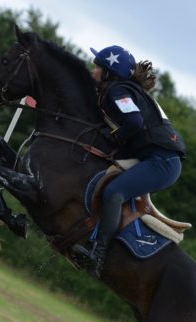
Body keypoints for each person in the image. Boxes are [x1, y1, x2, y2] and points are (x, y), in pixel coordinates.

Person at [74, 45, 186, 277]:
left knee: (114, 192)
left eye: (98, 67)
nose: (93, 71)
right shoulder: (125, 90)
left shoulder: (117, 92)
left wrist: (111, 136)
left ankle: (98, 256)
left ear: (108, 73)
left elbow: (134, 123)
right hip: (157, 157)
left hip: (162, 162)